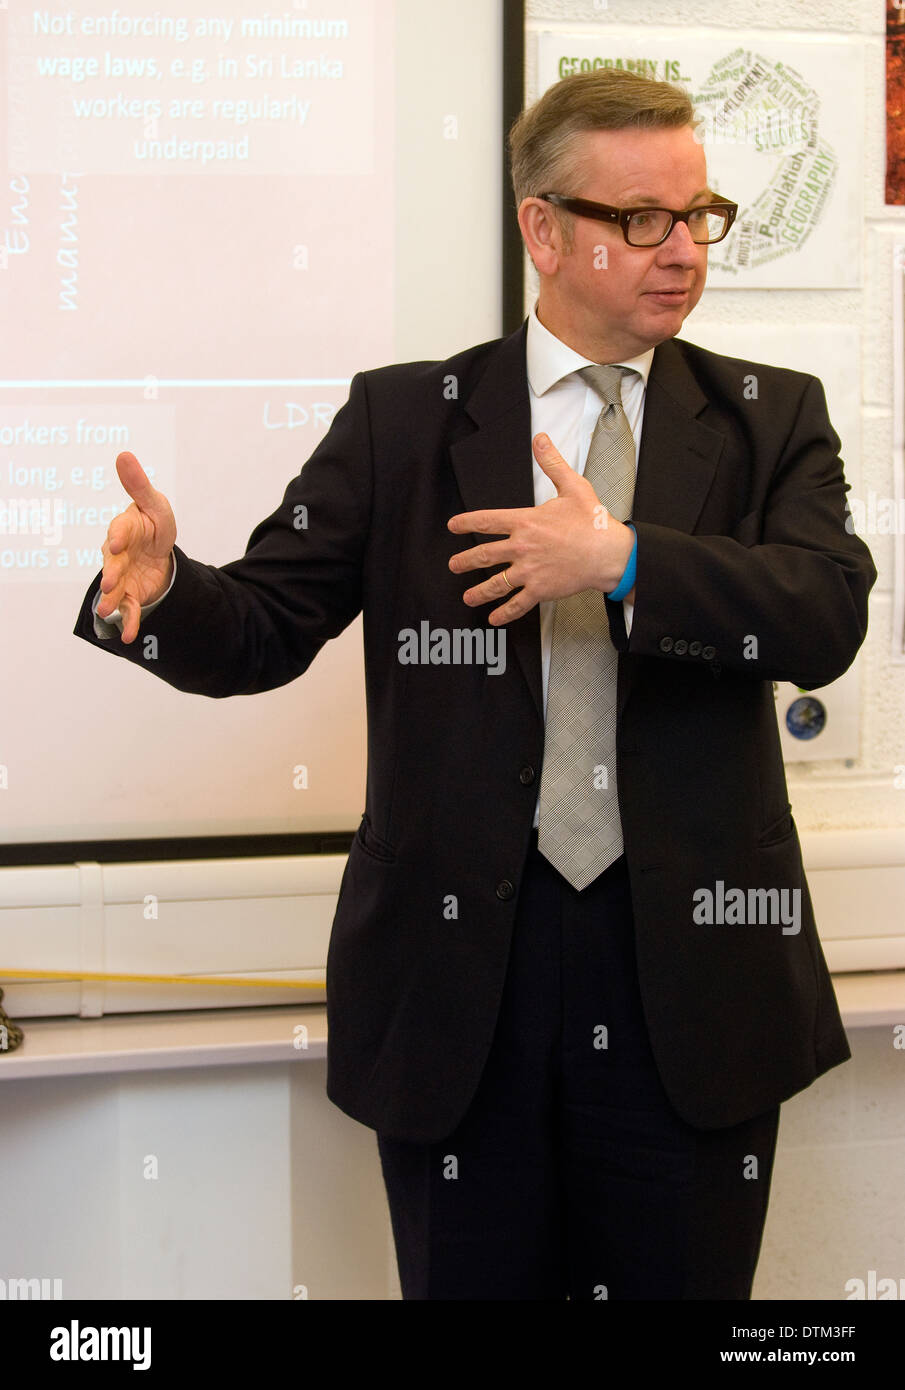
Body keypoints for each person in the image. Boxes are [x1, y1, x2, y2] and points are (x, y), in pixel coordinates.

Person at [74, 68, 876, 1300]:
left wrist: (620, 561)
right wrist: (167, 591)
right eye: (638, 219)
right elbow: (268, 626)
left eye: (696, 213)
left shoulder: (768, 419)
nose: (679, 250)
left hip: (691, 979)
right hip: (463, 978)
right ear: (542, 230)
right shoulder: (406, 421)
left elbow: (820, 614)